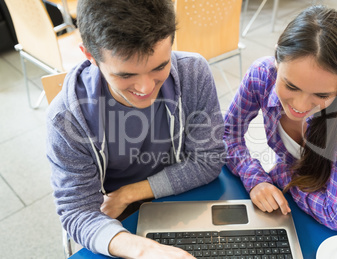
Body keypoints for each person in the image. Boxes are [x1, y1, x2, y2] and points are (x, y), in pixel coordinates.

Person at [46, 0, 225, 258]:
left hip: (180, 196)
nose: (145, 89)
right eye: (126, 75)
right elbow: (78, 211)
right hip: (115, 220)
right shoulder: (65, 119)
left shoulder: (192, 73)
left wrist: (129, 193)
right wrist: (143, 251)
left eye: (159, 67)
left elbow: (208, 161)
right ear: (90, 56)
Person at [223, 5, 337, 232]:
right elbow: (226, 135)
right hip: (297, 191)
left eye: (322, 95)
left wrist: (280, 174)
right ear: (277, 58)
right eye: (291, 86)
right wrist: (255, 177)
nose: (300, 106)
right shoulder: (261, 75)